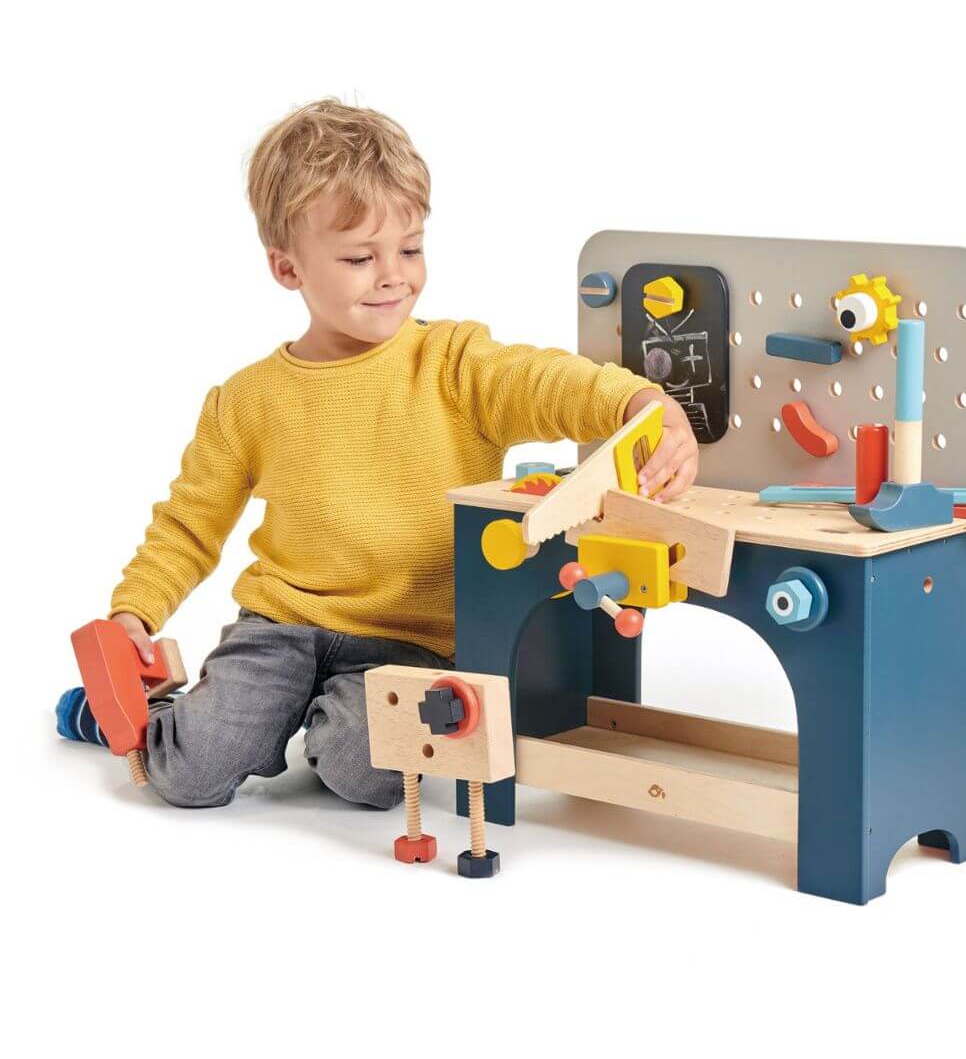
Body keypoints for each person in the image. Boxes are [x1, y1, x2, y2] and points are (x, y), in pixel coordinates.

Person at [58, 99, 699, 809]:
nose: (394, 275)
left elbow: (547, 380)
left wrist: (639, 402)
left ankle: (320, 721)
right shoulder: (246, 399)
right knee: (188, 774)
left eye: (411, 249)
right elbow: (189, 524)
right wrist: (135, 613)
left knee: (365, 775)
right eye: (361, 258)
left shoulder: (454, 362)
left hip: (409, 641)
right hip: (279, 627)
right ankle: (133, 715)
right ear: (287, 267)